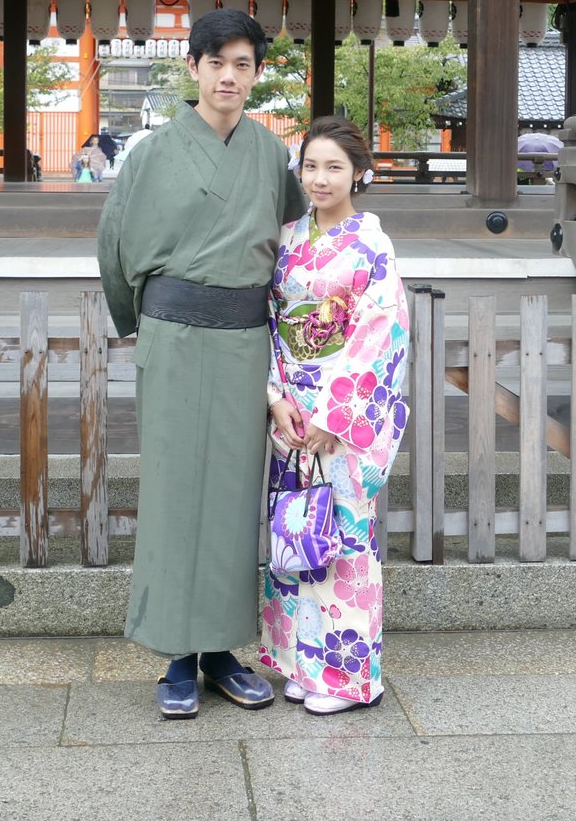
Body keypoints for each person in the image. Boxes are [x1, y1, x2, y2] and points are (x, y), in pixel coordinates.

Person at [96, 9, 307, 720]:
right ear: (193, 67)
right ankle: (175, 658)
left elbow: (296, 239)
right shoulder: (153, 153)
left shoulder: (270, 155)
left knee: (230, 498)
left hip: (245, 342)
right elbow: (115, 246)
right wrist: (142, 326)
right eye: (217, 62)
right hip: (175, 336)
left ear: (255, 75)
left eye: (243, 64)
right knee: (174, 493)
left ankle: (220, 650)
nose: (229, 76)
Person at [258, 115, 410, 715]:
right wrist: (277, 398)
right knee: (298, 536)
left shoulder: (371, 242)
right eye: (311, 166)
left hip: (341, 415)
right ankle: (300, 664)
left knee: (342, 541)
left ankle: (349, 679)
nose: (319, 179)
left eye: (334, 168)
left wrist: (336, 414)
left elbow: (382, 331)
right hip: (291, 413)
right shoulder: (291, 236)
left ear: (359, 174)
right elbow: (271, 321)